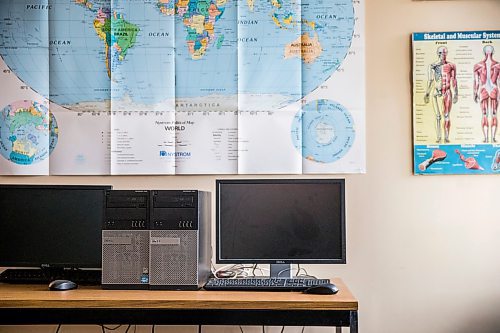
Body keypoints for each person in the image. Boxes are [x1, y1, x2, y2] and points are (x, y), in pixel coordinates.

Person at [424, 46, 458, 143]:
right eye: (442, 53)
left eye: (445, 53)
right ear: (438, 53)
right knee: (438, 116)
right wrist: (427, 93)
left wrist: (456, 93)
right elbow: (430, 80)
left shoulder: (451, 65)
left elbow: (454, 80)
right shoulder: (433, 66)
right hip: (437, 92)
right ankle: (438, 137)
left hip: (447, 91)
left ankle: (446, 137)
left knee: (447, 115)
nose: (443, 55)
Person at [473, 45, 499, 143]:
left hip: (484, 89)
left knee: (485, 114)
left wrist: (474, 93)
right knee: (493, 114)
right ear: (493, 52)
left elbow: (476, 81)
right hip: (493, 89)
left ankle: (487, 138)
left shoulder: (478, 66)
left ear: (484, 52)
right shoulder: (497, 65)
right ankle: (492, 138)